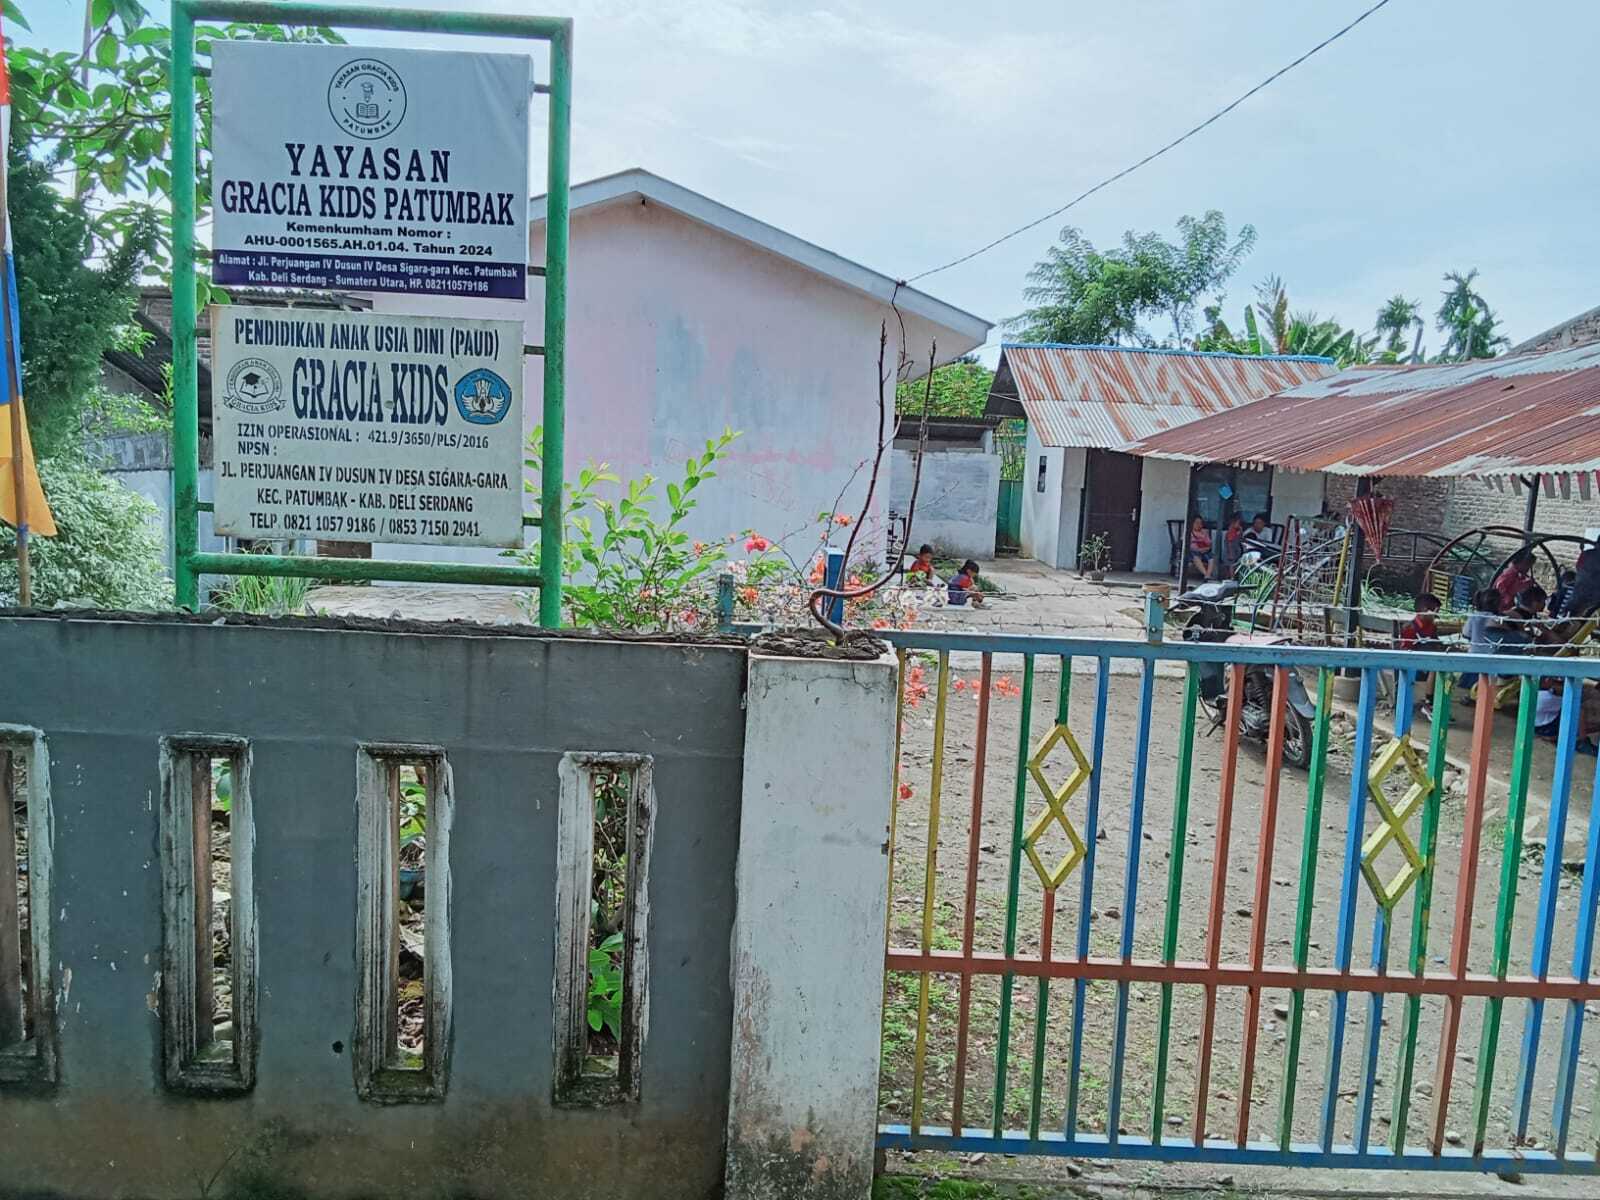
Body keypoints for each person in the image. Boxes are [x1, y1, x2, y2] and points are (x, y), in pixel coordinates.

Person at [1456, 586, 1502, 698]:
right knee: (1487, 684)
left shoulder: (1474, 617)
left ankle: (1469, 697)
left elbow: (1466, 634)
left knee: (1471, 683)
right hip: (1490, 657)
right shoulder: (1497, 619)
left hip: (1474, 654)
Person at [1187, 515, 1213, 581]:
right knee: (1196, 557)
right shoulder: (1189, 533)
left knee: (1212, 558)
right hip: (1194, 552)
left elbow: (1209, 543)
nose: (1199, 525)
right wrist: (1198, 549)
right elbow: (1189, 545)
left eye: (1200, 523)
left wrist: (1206, 547)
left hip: (1205, 551)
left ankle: (1208, 574)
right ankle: (1205, 574)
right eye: (1197, 523)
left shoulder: (1204, 532)